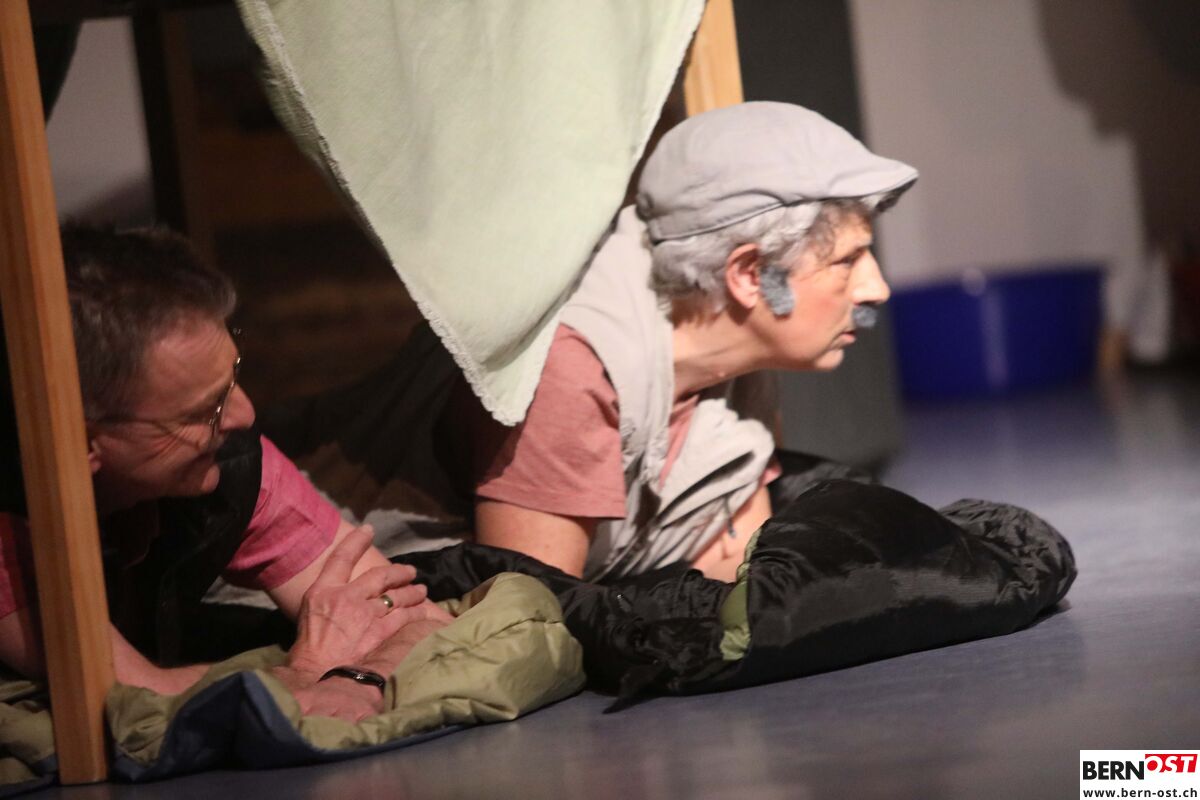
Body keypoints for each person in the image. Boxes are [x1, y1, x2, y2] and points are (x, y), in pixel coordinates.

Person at [0, 226, 449, 721]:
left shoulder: (229, 462)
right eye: (204, 411)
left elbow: (416, 620)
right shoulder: (10, 536)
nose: (244, 415)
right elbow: (134, 700)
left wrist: (358, 678)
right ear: (81, 441)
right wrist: (308, 669)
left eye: (232, 376)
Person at [460, 102, 918, 582]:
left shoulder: (736, 348)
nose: (876, 289)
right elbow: (528, 611)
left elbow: (733, 572)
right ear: (750, 275)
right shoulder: (572, 369)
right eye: (846, 261)